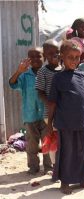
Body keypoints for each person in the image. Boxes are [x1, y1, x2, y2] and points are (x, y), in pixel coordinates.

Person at [47, 40, 84, 194]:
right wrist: (49, 124)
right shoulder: (58, 78)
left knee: (83, 152)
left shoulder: (83, 76)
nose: (74, 60)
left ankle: (83, 180)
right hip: (65, 123)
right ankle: (65, 182)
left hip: (82, 122)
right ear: (62, 57)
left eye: (77, 57)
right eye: (70, 57)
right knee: (67, 153)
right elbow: (53, 103)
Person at [9, 47, 52, 175]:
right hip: (30, 115)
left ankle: (48, 166)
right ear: (28, 59)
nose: (35, 59)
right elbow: (12, 84)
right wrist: (18, 71)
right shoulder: (25, 75)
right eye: (31, 57)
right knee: (32, 144)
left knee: (47, 141)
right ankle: (33, 167)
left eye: (38, 56)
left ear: (43, 57)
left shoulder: (47, 73)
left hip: (46, 115)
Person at [36, 39, 62, 122]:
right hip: (50, 113)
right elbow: (40, 92)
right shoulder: (43, 71)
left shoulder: (65, 69)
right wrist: (50, 103)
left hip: (64, 112)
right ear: (44, 55)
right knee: (53, 134)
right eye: (50, 53)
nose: (55, 55)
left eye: (57, 52)